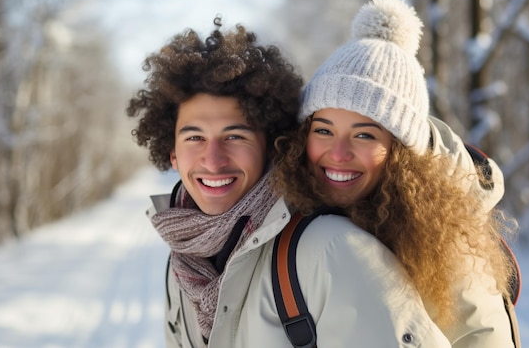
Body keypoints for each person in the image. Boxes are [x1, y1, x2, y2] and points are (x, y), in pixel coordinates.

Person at [126, 18, 451, 347]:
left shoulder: (330, 251)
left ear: (269, 145)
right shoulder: (181, 260)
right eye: (195, 137)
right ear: (173, 154)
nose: (213, 159)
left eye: (235, 136)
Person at [272, 0, 520, 347]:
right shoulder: (287, 215)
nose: (338, 153)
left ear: (401, 154)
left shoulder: (445, 246)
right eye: (324, 130)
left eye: (364, 135)